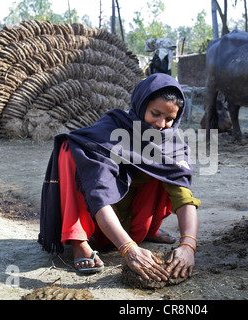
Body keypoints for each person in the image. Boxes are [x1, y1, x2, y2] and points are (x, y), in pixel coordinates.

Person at [38, 73, 200, 282]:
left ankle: (147, 230)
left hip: (134, 223)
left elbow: (183, 196)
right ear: (141, 106)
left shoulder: (171, 144)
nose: (161, 124)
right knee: (72, 149)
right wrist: (128, 249)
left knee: (170, 169)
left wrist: (188, 245)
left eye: (170, 119)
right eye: (155, 114)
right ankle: (79, 242)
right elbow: (99, 194)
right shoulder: (111, 130)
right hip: (100, 222)